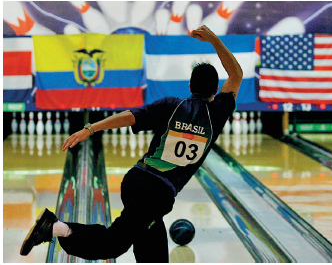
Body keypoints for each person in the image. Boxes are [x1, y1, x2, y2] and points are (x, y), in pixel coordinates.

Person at [20, 25, 243, 262]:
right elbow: (236, 74)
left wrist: (90, 128)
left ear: (189, 86)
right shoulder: (218, 113)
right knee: (111, 245)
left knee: (153, 254)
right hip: (155, 193)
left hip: (139, 180)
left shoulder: (171, 105)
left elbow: (129, 116)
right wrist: (214, 40)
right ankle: (55, 227)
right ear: (216, 90)